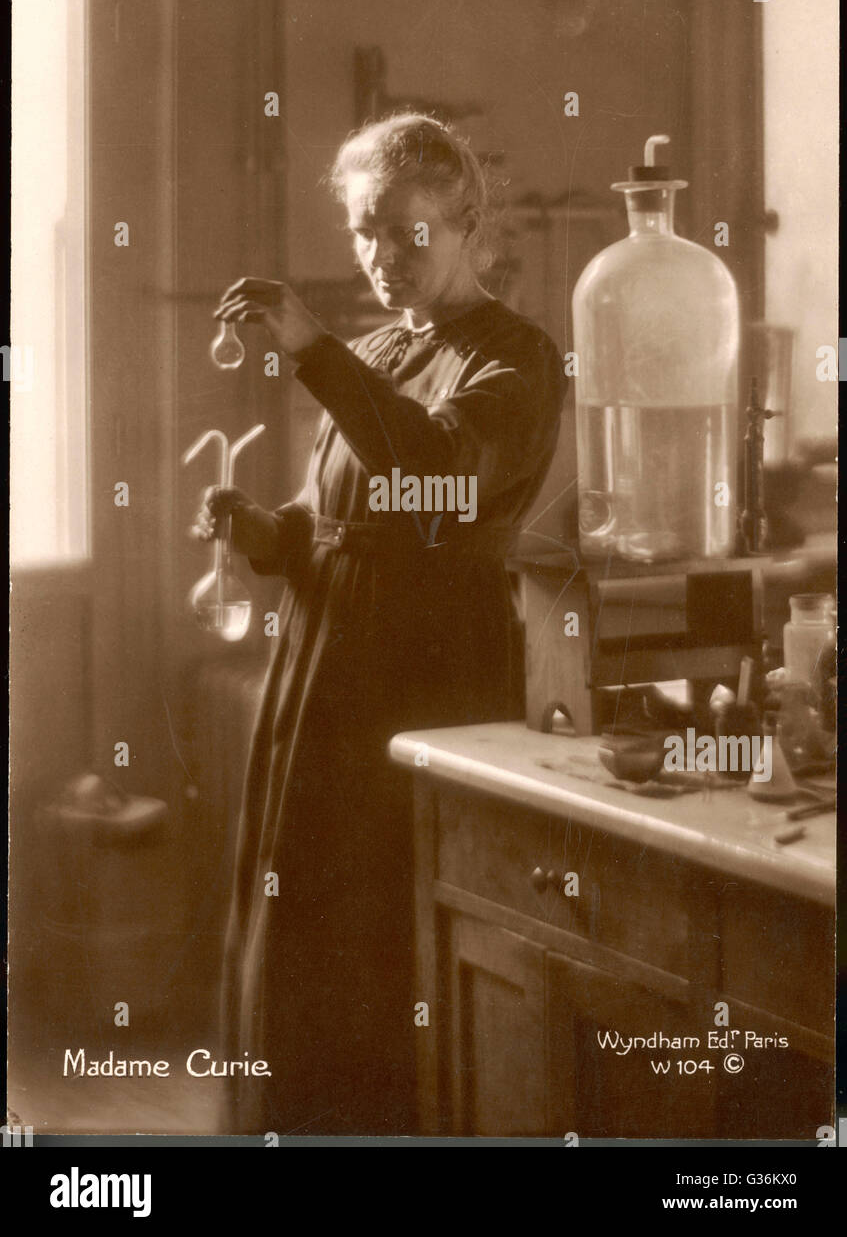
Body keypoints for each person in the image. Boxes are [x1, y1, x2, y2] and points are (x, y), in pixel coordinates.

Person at [196, 113, 567, 1135]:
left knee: (375, 926)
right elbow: (342, 521)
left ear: (468, 228)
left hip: (419, 679)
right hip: (321, 672)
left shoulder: (517, 359)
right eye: (365, 232)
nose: (383, 256)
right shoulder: (376, 349)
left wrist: (312, 353)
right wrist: (262, 533)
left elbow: (437, 480)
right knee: (302, 908)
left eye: (410, 233)